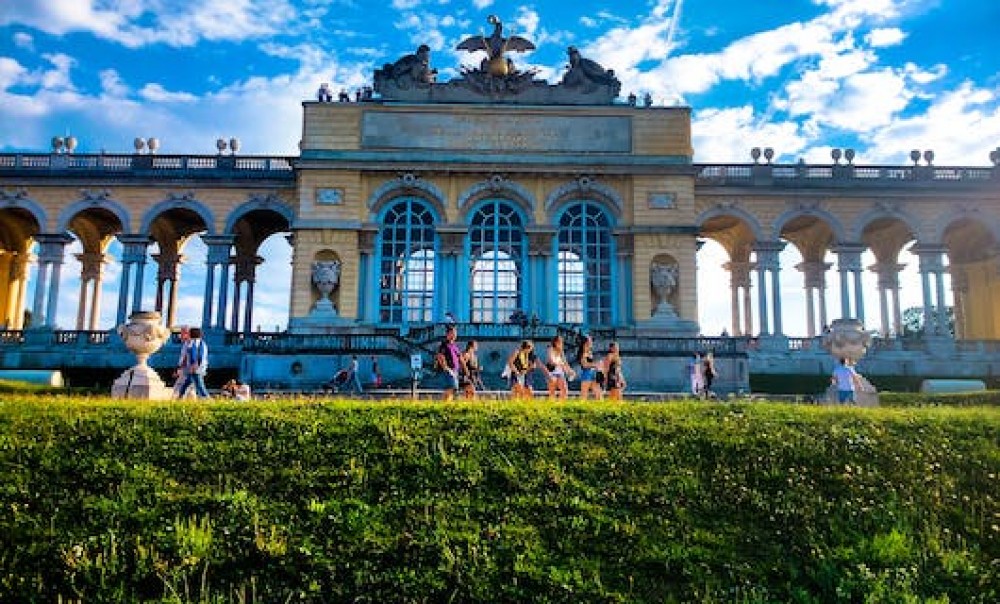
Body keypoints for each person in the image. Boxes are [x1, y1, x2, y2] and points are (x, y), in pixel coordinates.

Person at [435, 325, 466, 401]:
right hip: (449, 371)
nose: (454, 335)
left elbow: (460, 357)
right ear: (448, 334)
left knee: (453, 388)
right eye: (452, 333)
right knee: (451, 387)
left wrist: (465, 369)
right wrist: (446, 368)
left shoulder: (454, 346)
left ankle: (448, 403)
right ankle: (445, 403)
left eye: (455, 334)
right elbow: (440, 356)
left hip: (455, 370)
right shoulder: (444, 345)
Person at [177, 327, 210, 399]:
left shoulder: (192, 342)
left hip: (195, 367)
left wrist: (193, 365)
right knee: (188, 382)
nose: (188, 334)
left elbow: (193, 353)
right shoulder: (203, 343)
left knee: (199, 384)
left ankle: (207, 398)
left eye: (189, 333)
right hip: (200, 366)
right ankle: (180, 396)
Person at [545, 335, 575, 400]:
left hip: (560, 373)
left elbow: (565, 362)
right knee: (552, 391)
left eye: (561, 342)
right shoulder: (550, 349)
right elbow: (551, 361)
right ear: (555, 342)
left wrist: (570, 370)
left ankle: (561, 405)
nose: (561, 344)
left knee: (564, 390)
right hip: (552, 372)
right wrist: (560, 364)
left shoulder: (561, 351)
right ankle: (552, 406)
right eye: (559, 342)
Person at [172, 326, 196, 400]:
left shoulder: (189, 343)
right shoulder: (187, 343)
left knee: (177, 388)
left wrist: (179, 369)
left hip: (186, 369)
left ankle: (176, 402)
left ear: (187, 334)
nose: (180, 336)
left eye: (182, 333)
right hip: (188, 369)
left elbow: (186, 358)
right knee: (190, 389)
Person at [575, 334, 603, 400]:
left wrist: (597, 366)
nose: (592, 342)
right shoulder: (583, 352)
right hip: (586, 374)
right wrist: (595, 364)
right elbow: (584, 365)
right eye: (590, 341)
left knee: (599, 395)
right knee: (583, 396)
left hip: (593, 374)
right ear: (586, 342)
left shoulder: (589, 352)